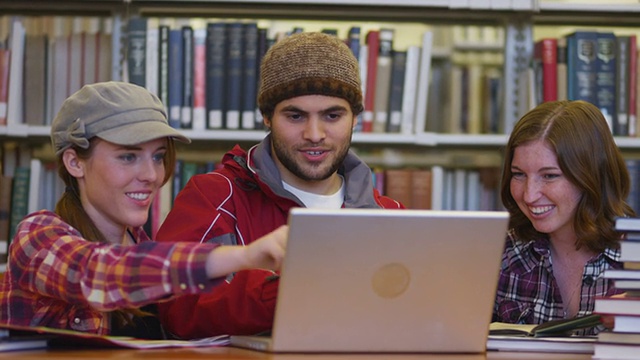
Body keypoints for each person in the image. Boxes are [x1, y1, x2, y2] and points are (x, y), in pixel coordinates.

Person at [155, 31, 405, 339]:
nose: (315, 134)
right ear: (266, 116)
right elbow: (176, 308)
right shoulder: (214, 197)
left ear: (354, 118)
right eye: (296, 116)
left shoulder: (391, 214)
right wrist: (293, 291)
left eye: (332, 115)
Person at [0, 82, 287, 338]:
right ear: (75, 163)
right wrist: (244, 256)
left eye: (159, 157)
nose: (152, 175)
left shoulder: (147, 244)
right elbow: (101, 272)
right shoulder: (36, 237)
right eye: (128, 157)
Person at [493, 100, 634, 335]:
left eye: (549, 176)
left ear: (590, 177)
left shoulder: (633, 259)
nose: (529, 195)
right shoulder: (500, 254)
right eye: (518, 174)